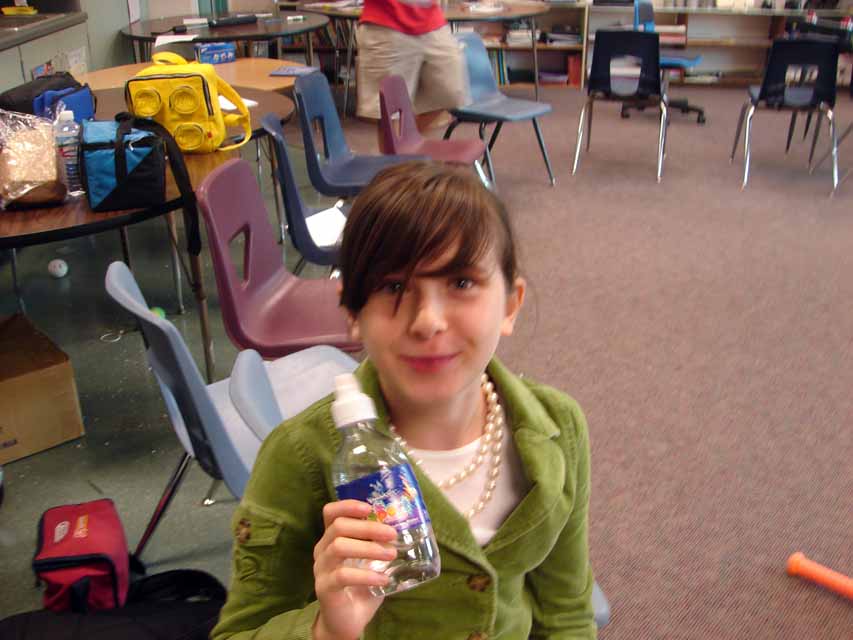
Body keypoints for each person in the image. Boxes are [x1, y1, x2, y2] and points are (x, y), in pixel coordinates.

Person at [211, 161, 596, 640]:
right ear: (353, 313)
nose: (427, 321)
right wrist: (326, 629)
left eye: (461, 283)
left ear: (510, 305)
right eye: (393, 287)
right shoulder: (301, 459)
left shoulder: (559, 427)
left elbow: (566, 614)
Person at [355, 0, 468, 131]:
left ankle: (410, 139)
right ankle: (401, 142)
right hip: (386, 22)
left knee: (451, 93)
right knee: (392, 110)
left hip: (432, 22)